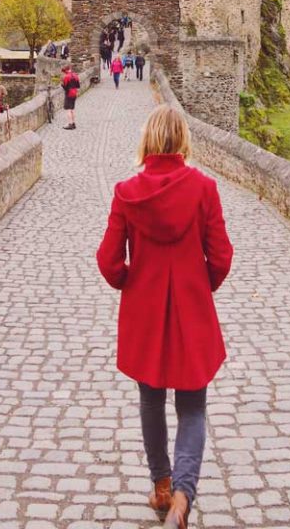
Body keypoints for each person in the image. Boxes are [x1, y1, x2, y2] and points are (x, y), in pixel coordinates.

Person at [96, 105, 233, 527]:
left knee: (151, 401)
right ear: (183, 141)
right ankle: (182, 497)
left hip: (145, 310)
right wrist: (199, 284)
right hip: (191, 308)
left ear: (148, 141)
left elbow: (108, 260)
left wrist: (130, 284)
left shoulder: (126, 192)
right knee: (192, 407)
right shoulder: (204, 188)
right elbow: (222, 255)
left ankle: (160, 485)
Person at [61, 64, 80, 129]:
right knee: (71, 109)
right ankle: (73, 123)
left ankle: (70, 124)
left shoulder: (66, 77)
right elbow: (78, 86)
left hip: (69, 93)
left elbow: (65, 87)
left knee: (68, 109)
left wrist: (62, 85)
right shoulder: (75, 75)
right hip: (74, 93)